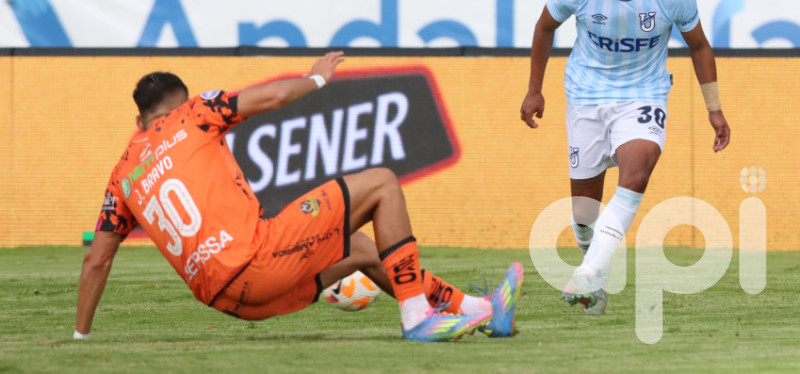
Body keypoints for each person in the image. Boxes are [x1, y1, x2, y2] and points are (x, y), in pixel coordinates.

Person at [76, 51, 522, 343]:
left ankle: (483, 311)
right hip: (257, 263)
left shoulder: (122, 175)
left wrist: (81, 337)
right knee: (384, 183)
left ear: (140, 121)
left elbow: (97, 260)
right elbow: (272, 96)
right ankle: (417, 318)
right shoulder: (195, 113)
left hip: (231, 301)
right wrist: (317, 79)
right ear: (184, 101)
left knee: (362, 249)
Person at [520, 0, 730, 314]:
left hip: (643, 94)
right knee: (584, 216)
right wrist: (534, 89)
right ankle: (596, 274)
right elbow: (545, 27)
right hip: (586, 96)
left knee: (637, 171)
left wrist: (714, 109)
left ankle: (587, 273)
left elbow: (700, 46)